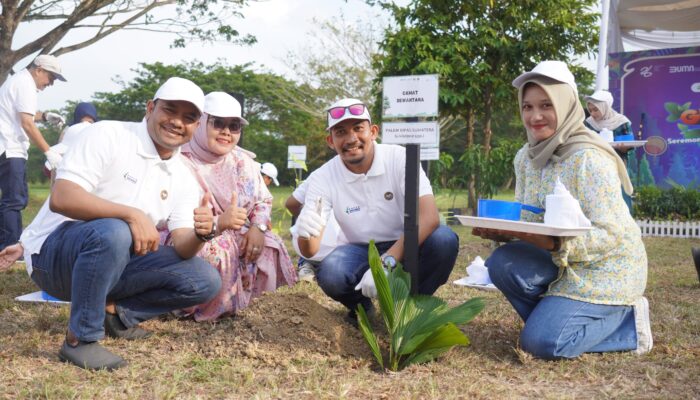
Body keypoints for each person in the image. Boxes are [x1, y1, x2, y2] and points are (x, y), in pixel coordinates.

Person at [0, 77, 222, 370]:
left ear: (196, 127)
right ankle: (81, 340)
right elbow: (63, 197)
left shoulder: (182, 175)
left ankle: (116, 315)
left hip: (114, 263)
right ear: (150, 108)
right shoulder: (108, 134)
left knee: (205, 279)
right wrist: (132, 214)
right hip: (52, 258)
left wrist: (202, 233)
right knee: (116, 230)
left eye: (189, 118)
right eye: (170, 110)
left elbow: (182, 246)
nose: (178, 122)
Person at [473, 61, 651, 359]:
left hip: (606, 269)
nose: (535, 116)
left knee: (543, 344)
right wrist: (504, 231)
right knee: (502, 262)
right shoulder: (526, 157)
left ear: (567, 105)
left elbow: (611, 233)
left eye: (546, 105)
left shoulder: (588, 159)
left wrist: (556, 243)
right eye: (527, 107)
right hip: (562, 262)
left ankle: (628, 324)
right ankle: (556, 319)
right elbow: (530, 217)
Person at [294, 98, 458, 323]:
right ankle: (361, 306)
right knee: (332, 271)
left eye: (358, 129)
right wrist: (305, 233)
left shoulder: (399, 158)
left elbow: (429, 219)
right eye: (340, 132)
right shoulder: (323, 177)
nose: (351, 139)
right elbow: (311, 250)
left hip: (407, 241)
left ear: (373, 131)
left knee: (444, 241)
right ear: (330, 141)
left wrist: (386, 262)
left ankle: (412, 305)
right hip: (361, 249)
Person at [166, 91, 296, 321]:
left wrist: (258, 228)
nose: (226, 132)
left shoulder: (241, 161)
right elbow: (177, 217)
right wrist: (219, 223)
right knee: (220, 247)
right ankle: (206, 309)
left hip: (238, 230)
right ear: (200, 123)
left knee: (270, 244)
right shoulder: (179, 161)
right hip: (190, 235)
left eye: (234, 126)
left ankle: (254, 304)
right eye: (218, 123)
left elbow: (262, 200)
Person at [0, 55, 66, 250]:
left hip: (9, 147)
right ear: (38, 70)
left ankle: (5, 245)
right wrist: (48, 152)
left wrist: (45, 116)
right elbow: (26, 123)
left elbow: (25, 114)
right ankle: (9, 248)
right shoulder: (25, 84)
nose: (51, 83)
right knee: (14, 200)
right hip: (10, 148)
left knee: (14, 199)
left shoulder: (20, 81)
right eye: (51, 77)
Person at [285, 180, 348, 282]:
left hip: (307, 249)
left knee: (308, 233)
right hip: (338, 253)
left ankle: (306, 266)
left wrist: (301, 217)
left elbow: (290, 204)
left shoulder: (316, 177)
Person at [584, 89, 635, 210]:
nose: (592, 114)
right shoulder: (588, 123)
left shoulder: (621, 122)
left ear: (605, 107)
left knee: (617, 192)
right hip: (594, 165)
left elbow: (630, 145)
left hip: (617, 164)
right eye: (590, 110)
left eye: (596, 109)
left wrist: (624, 149)